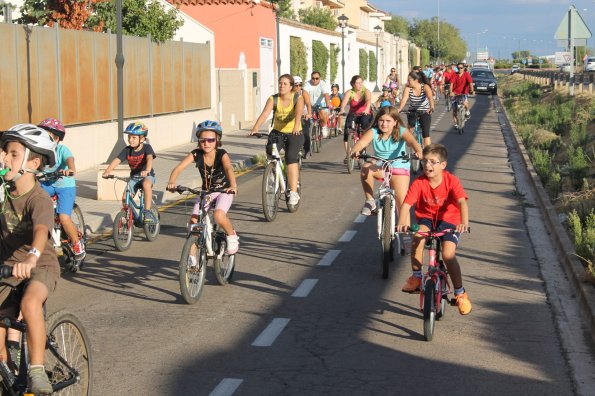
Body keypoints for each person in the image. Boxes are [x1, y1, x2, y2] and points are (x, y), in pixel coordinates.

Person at [0, 124, 60, 394]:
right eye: (4, 152)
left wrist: (33, 256)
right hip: (8, 269)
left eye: (13, 154)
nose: (4, 158)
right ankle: (6, 370)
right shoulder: (3, 194)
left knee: (30, 301)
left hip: (40, 267)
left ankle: (37, 369)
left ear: (33, 162)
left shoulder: (39, 198)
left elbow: (41, 230)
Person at [396, 143, 471, 315]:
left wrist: (464, 222)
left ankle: (460, 293)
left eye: (432, 162)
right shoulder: (419, 182)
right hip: (427, 218)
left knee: (447, 254)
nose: (427, 165)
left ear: (443, 165)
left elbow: (461, 202)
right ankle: (416, 277)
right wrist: (402, 222)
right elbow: (407, 204)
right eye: (424, 161)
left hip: (450, 220)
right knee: (418, 237)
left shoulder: (451, 181)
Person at [167, 120, 239, 255]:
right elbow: (179, 167)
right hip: (207, 192)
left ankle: (231, 235)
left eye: (211, 140)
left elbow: (229, 168)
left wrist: (233, 185)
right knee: (193, 223)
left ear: (217, 140)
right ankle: (191, 261)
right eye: (202, 140)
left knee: (218, 215)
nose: (206, 143)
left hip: (224, 191)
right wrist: (172, 181)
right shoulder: (196, 154)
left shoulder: (222, 154)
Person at [350, 106, 423, 216]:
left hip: (399, 167)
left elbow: (412, 142)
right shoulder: (373, 132)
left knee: (402, 205)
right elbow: (361, 143)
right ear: (377, 121)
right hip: (381, 165)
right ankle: (370, 201)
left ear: (395, 122)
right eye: (381, 120)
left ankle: (404, 230)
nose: (384, 124)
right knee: (366, 168)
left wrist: (418, 151)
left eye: (388, 121)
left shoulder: (402, 131)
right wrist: (355, 150)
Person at [250, 74, 304, 206]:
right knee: (270, 151)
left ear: (291, 86)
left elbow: (298, 113)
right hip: (278, 132)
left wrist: (296, 126)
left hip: (294, 132)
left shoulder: (297, 97)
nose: (281, 85)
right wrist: (255, 128)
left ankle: (293, 192)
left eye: (285, 84)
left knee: (291, 157)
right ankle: (273, 170)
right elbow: (265, 114)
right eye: (280, 83)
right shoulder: (273, 99)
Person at [36, 118, 85, 260]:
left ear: (56, 138)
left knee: (64, 217)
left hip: (65, 186)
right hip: (47, 184)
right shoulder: (39, 152)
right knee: (35, 204)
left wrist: (70, 169)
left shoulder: (62, 149)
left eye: (47, 135)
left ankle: (77, 243)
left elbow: (70, 159)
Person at [102, 122, 158, 224]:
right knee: (125, 198)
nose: (130, 140)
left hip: (147, 176)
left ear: (142, 139)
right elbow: (117, 160)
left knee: (146, 185)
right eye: (129, 137)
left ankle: (147, 211)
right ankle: (130, 215)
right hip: (134, 178)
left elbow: (150, 158)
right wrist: (107, 171)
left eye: (133, 137)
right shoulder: (127, 150)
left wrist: (147, 170)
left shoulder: (147, 148)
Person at [339, 75, 373, 164]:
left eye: (361, 82)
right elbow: (345, 101)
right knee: (347, 132)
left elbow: (368, 100)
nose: (360, 85)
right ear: (353, 84)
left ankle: (362, 146)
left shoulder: (365, 91)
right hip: (353, 114)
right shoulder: (349, 92)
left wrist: (366, 109)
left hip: (365, 113)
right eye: (358, 83)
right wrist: (342, 109)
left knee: (365, 129)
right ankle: (349, 153)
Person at [396, 71, 434, 147]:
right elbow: (404, 99)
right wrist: (399, 109)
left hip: (424, 111)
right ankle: (414, 139)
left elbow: (430, 98)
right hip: (412, 111)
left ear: (416, 80)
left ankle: (428, 152)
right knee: (410, 132)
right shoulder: (408, 88)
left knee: (426, 134)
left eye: (409, 80)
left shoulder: (425, 87)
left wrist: (431, 107)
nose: (407, 82)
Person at [303, 71, 331, 138]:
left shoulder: (323, 84)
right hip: (310, 104)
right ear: (311, 78)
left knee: (322, 113)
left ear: (320, 78)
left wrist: (328, 105)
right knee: (304, 116)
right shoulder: (307, 84)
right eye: (313, 78)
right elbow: (304, 94)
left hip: (321, 104)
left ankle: (324, 126)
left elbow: (326, 95)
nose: (315, 80)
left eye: (317, 78)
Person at [293, 76, 313, 158]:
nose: (298, 87)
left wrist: (309, 113)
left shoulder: (303, 93)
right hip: (293, 116)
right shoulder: (289, 93)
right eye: (296, 85)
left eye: (300, 85)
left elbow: (308, 104)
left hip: (303, 115)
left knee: (305, 133)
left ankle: (307, 149)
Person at [450, 62, 475, 129]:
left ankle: (467, 111)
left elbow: (470, 83)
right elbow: (451, 84)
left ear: (464, 68)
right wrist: (451, 92)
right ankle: (456, 124)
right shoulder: (455, 75)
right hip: (455, 93)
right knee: (454, 110)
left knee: (465, 103)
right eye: (458, 68)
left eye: (461, 68)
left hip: (463, 93)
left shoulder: (466, 74)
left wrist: (472, 90)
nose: (460, 69)